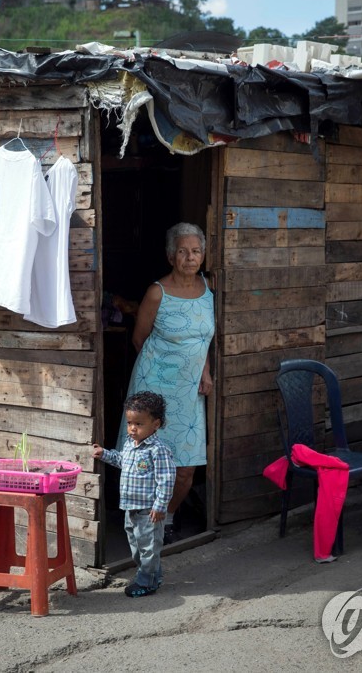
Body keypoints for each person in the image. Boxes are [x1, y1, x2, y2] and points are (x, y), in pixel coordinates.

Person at [125, 222, 215, 544]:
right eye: (182, 251)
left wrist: (204, 372)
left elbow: (203, 340)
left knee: (186, 468)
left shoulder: (208, 291)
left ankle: (169, 516)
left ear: (203, 255)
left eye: (195, 251)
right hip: (156, 390)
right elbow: (139, 340)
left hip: (190, 393)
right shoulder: (156, 292)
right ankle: (144, 527)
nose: (190, 258)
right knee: (147, 463)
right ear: (170, 255)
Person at [93, 391, 176, 597]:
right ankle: (152, 575)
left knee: (148, 548)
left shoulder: (158, 450)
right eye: (130, 423)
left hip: (149, 510)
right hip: (130, 507)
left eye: (139, 424)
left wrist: (160, 506)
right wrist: (104, 454)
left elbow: (166, 480)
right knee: (137, 548)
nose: (132, 428)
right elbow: (122, 461)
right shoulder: (131, 445)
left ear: (155, 425)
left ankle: (146, 582)